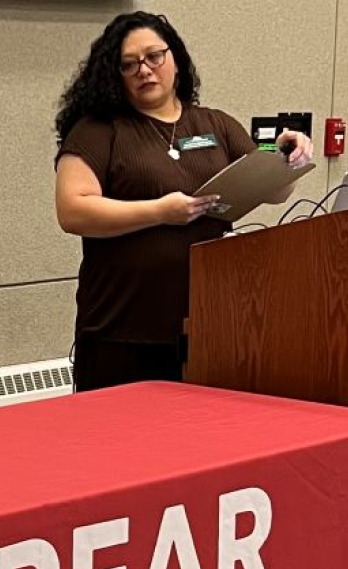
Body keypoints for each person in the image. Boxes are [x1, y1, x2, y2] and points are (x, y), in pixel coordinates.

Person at [53, 11, 313, 391]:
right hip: (122, 329)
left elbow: (274, 191)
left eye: (154, 56)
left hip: (209, 324)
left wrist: (285, 156)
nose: (144, 70)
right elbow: (72, 210)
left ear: (175, 58)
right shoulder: (99, 129)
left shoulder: (215, 125)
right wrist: (159, 211)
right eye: (129, 64)